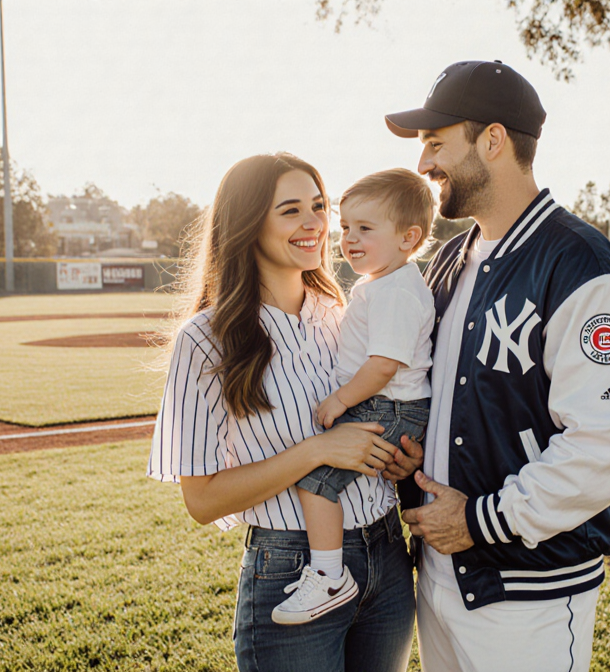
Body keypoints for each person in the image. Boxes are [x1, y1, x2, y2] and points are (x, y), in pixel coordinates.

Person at [386, 61, 610, 671]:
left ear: (493, 140)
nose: (424, 164)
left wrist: (482, 520)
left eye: (435, 143)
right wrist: (417, 455)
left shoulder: (582, 267)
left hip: (526, 593)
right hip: (440, 570)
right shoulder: (452, 256)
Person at [146, 153, 421, 672]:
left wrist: (396, 460)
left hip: (386, 554)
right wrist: (315, 451)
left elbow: (382, 411)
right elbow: (202, 500)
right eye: (290, 210)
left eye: (319, 206)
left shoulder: (343, 315)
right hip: (291, 568)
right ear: (249, 225)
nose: (314, 223)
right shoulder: (207, 340)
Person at [273, 168, 436, 625]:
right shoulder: (378, 285)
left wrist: (341, 400)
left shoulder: (397, 292)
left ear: (409, 237)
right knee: (326, 477)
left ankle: (328, 574)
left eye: (366, 228)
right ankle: (333, 569)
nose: (349, 238)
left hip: (388, 403)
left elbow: (385, 364)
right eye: (346, 227)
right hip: (386, 401)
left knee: (317, 481)